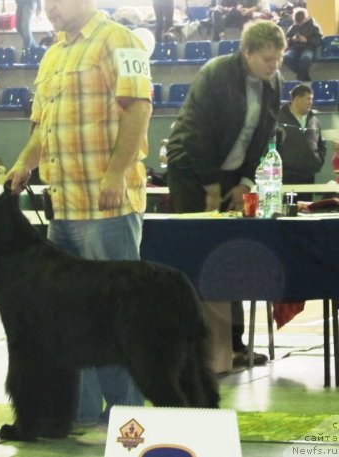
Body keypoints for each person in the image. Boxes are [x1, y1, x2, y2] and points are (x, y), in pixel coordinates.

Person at [5, 0, 152, 432]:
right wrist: (23, 164)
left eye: (56, 1)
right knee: (70, 316)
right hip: (63, 207)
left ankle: (128, 414)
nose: (48, 8)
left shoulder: (119, 40)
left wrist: (116, 174)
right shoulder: (52, 54)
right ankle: (81, 411)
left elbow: (139, 108)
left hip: (106, 206)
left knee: (116, 314)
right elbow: (43, 127)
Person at [166, 20, 286, 368]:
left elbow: (265, 134)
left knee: (230, 252)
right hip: (192, 171)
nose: (273, 66)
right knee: (199, 253)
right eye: (266, 59)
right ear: (246, 52)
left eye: (278, 59)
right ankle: (194, 346)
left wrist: (245, 181)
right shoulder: (216, 74)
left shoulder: (273, 82)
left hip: (232, 174)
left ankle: (232, 343)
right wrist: (212, 187)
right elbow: (195, 135)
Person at [276, 84, 326, 186]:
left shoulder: (315, 120)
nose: (310, 102)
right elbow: (270, 144)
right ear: (297, 99)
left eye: (311, 99)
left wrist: (318, 161)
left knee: (307, 203)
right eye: (308, 99)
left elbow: (322, 144)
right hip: (285, 176)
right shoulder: (278, 119)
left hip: (309, 176)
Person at [283, 8, 322, 82]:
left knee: (306, 58)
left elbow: (318, 41)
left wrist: (307, 40)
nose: (299, 24)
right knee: (286, 57)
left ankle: (301, 77)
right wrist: (292, 39)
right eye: (297, 23)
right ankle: (303, 76)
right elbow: (287, 40)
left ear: (306, 18)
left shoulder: (314, 27)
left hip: (308, 48)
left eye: (300, 22)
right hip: (294, 48)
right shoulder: (293, 27)